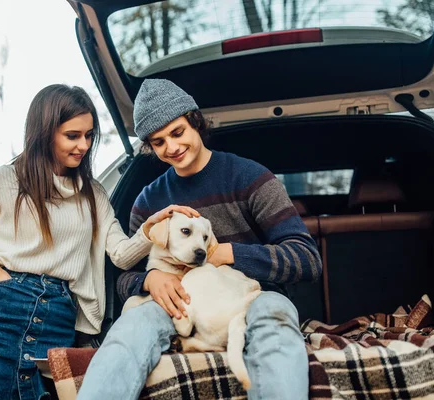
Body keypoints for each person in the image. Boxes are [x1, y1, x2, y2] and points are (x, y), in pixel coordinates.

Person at [0, 84, 198, 400]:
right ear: (44, 133)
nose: (83, 145)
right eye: (73, 135)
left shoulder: (94, 194)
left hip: (57, 313)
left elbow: (122, 256)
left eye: (89, 135)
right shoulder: (1, 180)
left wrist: (151, 228)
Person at [77, 79, 323, 400]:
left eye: (177, 133)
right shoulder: (149, 200)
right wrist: (150, 279)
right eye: (159, 142)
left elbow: (306, 258)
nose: (172, 148)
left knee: (276, 325)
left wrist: (226, 253)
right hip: (175, 305)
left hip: (254, 296)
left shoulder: (250, 178)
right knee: (128, 332)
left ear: (195, 121)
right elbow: (123, 277)